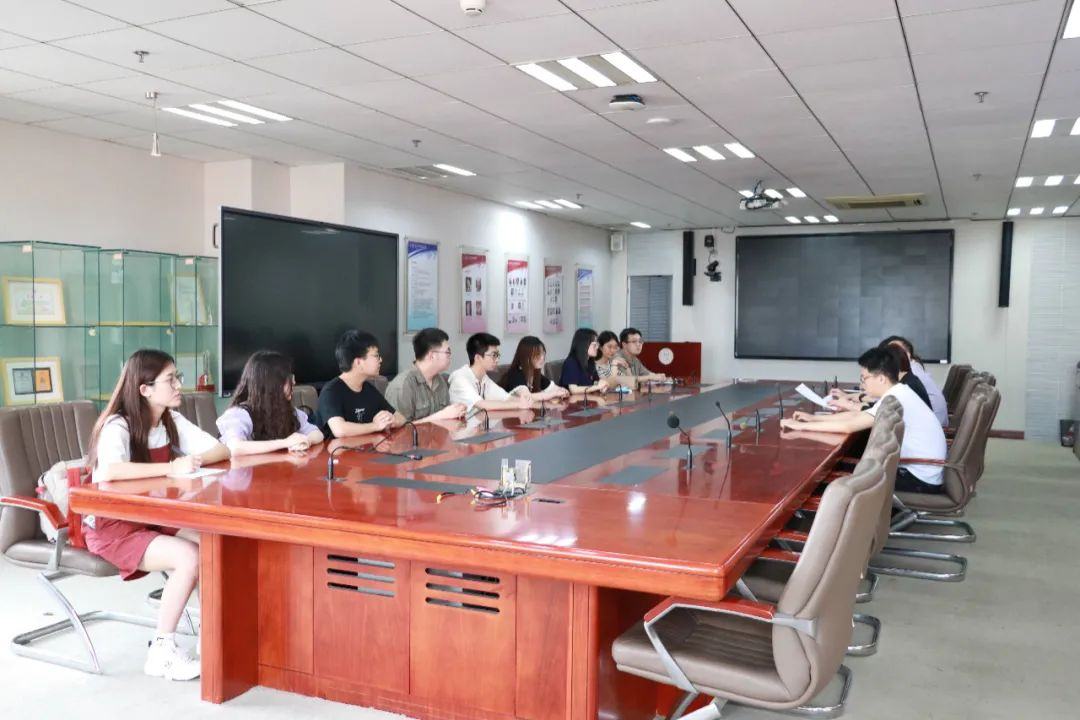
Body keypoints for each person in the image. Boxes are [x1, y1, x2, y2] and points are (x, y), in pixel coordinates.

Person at [84, 349, 230, 681]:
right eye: (171, 379)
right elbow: (112, 471)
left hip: (152, 518)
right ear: (144, 389)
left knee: (214, 542)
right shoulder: (117, 425)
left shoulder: (169, 420)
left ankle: (212, 637)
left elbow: (221, 449)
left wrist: (193, 461)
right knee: (190, 556)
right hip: (113, 527)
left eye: (178, 377)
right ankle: (162, 652)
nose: (179, 385)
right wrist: (172, 467)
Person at [781, 347, 947, 494]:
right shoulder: (898, 392)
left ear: (881, 378)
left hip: (918, 480)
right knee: (837, 471)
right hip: (918, 471)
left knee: (825, 482)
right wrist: (813, 419)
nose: (862, 385)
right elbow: (857, 416)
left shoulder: (896, 398)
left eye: (864, 378)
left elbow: (848, 426)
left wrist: (800, 427)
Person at [216, 350, 324, 456]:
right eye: (289, 379)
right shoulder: (239, 414)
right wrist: (285, 443)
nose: (294, 382)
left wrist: (306, 441)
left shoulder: (289, 411)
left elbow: (317, 433)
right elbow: (235, 447)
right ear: (273, 385)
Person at [316, 330, 406, 439]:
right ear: (358, 362)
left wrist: (389, 420)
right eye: (376, 356)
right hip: (337, 449)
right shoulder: (331, 391)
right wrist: (375, 426)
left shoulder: (369, 389)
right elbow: (340, 430)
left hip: (367, 447)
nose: (380, 360)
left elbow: (401, 419)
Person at [384, 327, 467, 423]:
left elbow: (446, 418)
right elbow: (397, 429)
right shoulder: (402, 385)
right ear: (432, 355)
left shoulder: (440, 381)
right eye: (447, 352)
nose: (450, 356)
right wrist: (439, 416)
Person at [830, 345, 932, 412]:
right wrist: (849, 401)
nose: (863, 384)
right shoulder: (902, 386)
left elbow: (865, 417)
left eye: (864, 378)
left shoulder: (905, 389)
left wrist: (849, 404)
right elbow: (873, 407)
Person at [448, 332, 534, 412]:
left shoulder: (484, 378)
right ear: (478, 358)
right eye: (494, 355)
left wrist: (524, 401)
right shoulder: (460, 377)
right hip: (459, 423)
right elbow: (482, 405)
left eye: (497, 355)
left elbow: (506, 398)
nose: (497, 360)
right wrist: (519, 404)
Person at [881, 335, 948, 426]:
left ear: (908, 354)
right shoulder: (912, 369)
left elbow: (891, 401)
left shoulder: (911, 374)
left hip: (935, 424)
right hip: (933, 423)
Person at [497, 335, 570, 400]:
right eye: (538, 355)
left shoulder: (535, 374)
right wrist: (554, 394)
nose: (542, 358)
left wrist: (563, 391)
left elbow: (555, 389)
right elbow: (527, 397)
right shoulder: (515, 374)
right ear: (526, 357)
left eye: (543, 353)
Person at [559, 328, 612, 394]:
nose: (597, 347)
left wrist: (602, 385)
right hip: (572, 399)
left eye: (597, 345)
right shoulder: (571, 363)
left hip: (587, 398)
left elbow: (595, 382)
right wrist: (597, 387)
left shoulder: (589, 362)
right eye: (594, 345)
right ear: (584, 344)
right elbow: (574, 390)